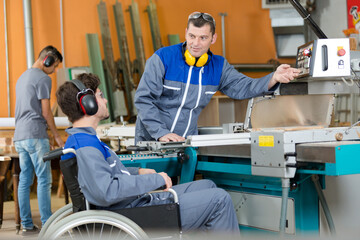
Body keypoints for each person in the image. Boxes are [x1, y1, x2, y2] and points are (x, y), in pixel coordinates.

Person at [56, 73, 240, 235]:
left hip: (131, 206)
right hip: (134, 215)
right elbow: (105, 191)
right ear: (87, 104)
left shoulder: (82, 139)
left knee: (207, 185)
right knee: (219, 199)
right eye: (100, 96)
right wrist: (156, 180)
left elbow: (107, 176)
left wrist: (139, 172)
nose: (104, 101)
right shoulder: (86, 145)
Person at [134, 12, 301, 143]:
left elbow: (244, 87)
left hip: (184, 144)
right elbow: (143, 100)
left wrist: (274, 77)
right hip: (152, 142)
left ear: (213, 38)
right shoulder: (163, 58)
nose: (196, 43)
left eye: (203, 37)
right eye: (192, 36)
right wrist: (161, 133)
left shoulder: (218, 67)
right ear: (185, 33)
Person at [13, 45, 64, 235]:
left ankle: (26, 224)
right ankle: (47, 222)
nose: (54, 70)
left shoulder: (22, 77)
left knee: (25, 180)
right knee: (44, 180)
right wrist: (56, 135)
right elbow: (45, 112)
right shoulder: (43, 79)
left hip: (20, 137)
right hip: (35, 135)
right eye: (55, 66)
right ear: (47, 60)